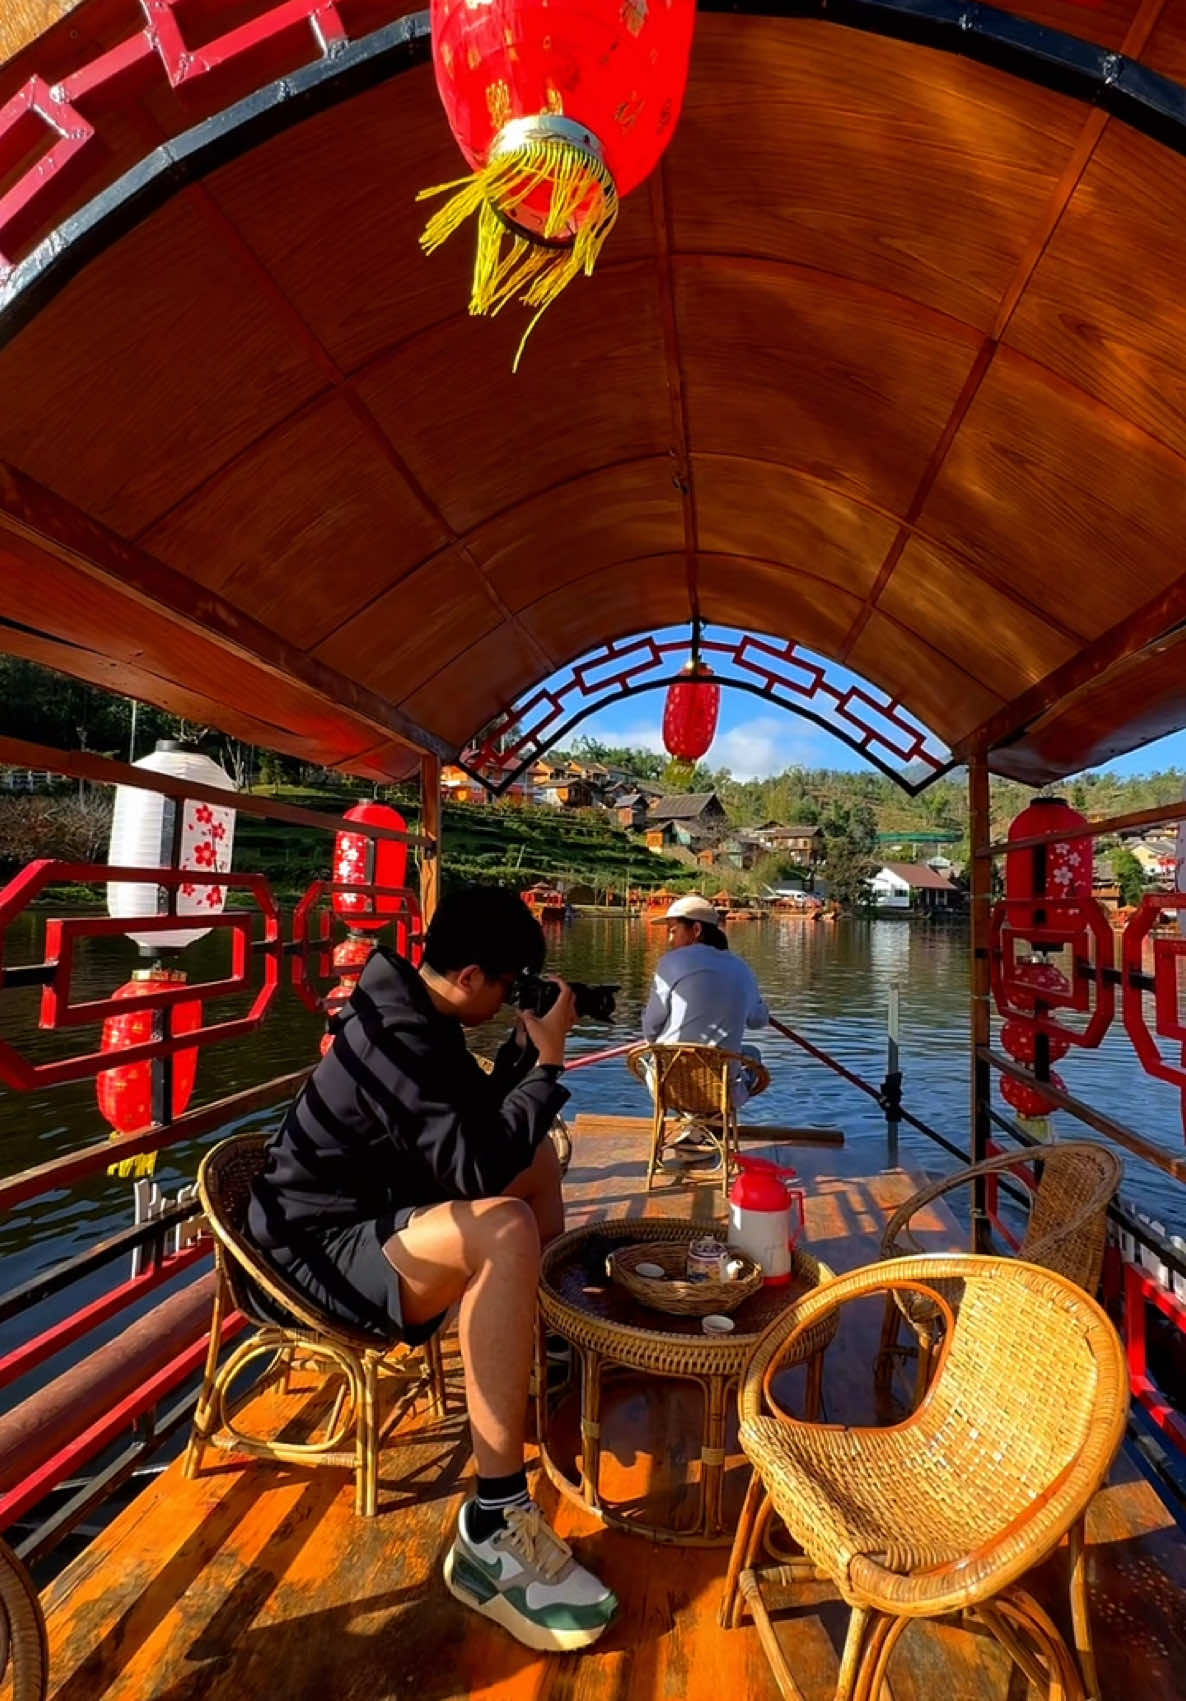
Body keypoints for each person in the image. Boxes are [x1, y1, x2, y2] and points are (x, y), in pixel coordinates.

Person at [245, 885, 617, 1653]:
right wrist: (546, 1063)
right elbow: (475, 1168)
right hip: (311, 1252)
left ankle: (534, 1342)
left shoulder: (417, 1009)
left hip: (369, 1212)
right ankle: (493, 1521)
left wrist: (523, 1051)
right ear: (475, 974)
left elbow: (472, 1127)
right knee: (503, 1227)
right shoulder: (397, 1033)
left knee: (539, 1154)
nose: (513, 994)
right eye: (511, 983)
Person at [641, 894, 770, 1147]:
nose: (670, 940)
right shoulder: (741, 968)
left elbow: (652, 1025)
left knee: (652, 1055)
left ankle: (697, 1126)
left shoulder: (670, 962)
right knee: (751, 1054)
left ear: (696, 930)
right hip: (722, 1089)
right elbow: (757, 1020)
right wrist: (761, 1008)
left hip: (670, 1085)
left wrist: (652, 1043)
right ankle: (708, 1124)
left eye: (673, 931)